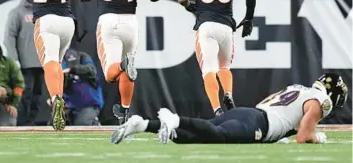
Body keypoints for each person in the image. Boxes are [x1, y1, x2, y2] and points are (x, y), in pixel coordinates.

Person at [0, 0, 150, 130]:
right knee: (56, 62)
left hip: (46, 21)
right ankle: (58, 98)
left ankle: (57, 99)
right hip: (66, 23)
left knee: (51, 63)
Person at [111, 73, 348, 145]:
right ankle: (175, 119)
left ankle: (143, 124)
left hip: (250, 114)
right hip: (258, 124)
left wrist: (279, 136)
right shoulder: (319, 101)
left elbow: (279, 112)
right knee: (219, 136)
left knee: (188, 139)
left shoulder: (299, 88)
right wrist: (319, 137)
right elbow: (303, 137)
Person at [75, 0, 161, 125]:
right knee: (128, 71)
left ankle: (124, 67)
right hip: (130, 22)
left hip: (109, 21)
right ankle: (124, 110)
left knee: (111, 72)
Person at [178, 0, 256, 115]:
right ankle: (228, 93)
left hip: (206, 26)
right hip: (226, 26)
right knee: (224, 67)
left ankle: (217, 109)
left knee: (209, 70)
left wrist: (192, 7)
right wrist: (248, 19)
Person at [4, 0, 44, 126]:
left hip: (41, 63)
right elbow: (9, 37)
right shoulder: (17, 13)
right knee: (25, 94)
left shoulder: (43, 12)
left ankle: (31, 123)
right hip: (24, 64)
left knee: (37, 96)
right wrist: (14, 59)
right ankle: (22, 124)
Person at [62, 48, 104, 126]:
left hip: (90, 104)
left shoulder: (85, 60)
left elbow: (91, 70)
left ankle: (95, 123)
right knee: (55, 123)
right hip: (70, 105)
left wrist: (72, 70)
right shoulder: (62, 64)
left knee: (82, 123)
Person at [0, 36, 25, 126]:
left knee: (9, 126)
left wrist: (14, 104)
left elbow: (19, 85)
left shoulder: (9, 62)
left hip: (4, 100)